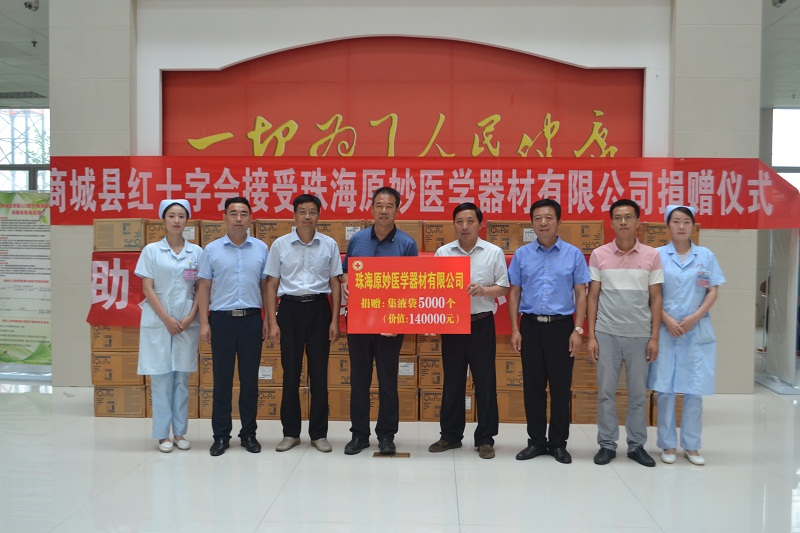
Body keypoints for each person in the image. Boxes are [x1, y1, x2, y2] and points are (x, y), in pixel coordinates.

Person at [508, 198, 590, 464]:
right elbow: (514, 293)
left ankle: (557, 443)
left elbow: (581, 294)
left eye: (548, 218)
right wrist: (515, 329)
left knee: (560, 388)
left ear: (558, 222)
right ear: (532, 223)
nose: (543, 223)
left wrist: (578, 329)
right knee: (532, 387)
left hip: (561, 328)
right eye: (538, 218)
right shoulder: (522, 255)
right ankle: (535, 442)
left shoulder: (573, 254)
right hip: (530, 327)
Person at [427, 203, 509, 460]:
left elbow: (504, 287)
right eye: (459, 221)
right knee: (452, 381)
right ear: (454, 224)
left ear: (479, 224)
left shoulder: (493, 252)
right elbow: (434, 289)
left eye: (470, 221)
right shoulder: (443, 252)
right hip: (452, 325)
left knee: (485, 382)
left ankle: (485, 438)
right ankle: (450, 435)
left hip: (481, 323)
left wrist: (484, 290)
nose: (464, 226)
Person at [341, 186, 418, 456]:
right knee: (359, 380)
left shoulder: (407, 244)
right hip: (360, 321)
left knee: (387, 382)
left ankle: (386, 435)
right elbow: (346, 273)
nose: (384, 211)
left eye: (389, 206)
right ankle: (359, 434)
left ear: (397, 210)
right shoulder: (357, 240)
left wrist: (400, 322)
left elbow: (411, 286)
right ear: (372, 208)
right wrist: (346, 283)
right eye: (379, 205)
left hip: (390, 324)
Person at [587, 198, 663, 467]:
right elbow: (592, 297)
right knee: (606, 393)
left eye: (628, 217)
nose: (623, 222)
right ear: (611, 223)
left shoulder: (652, 255)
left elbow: (656, 298)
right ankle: (607, 444)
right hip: (606, 333)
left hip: (639, 334)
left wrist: (654, 337)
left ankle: (636, 445)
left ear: (638, 222)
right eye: (618, 217)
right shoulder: (599, 255)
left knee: (638, 395)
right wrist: (591, 336)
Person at [647, 205, 725, 466]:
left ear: (693, 226)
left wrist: (695, 317)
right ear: (668, 225)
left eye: (686, 222)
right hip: (665, 329)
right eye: (676, 221)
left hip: (696, 329)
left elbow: (713, 290)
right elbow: (651, 293)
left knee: (694, 390)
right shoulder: (657, 255)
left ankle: (692, 446)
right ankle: (668, 444)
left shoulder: (705, 256)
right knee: (665, 389)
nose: (681, 226)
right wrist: (666, 319)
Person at [264, 194, 342, 453]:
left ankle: (319, 434)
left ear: (319, 215)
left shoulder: (329, 244)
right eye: (302, 212)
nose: (307, 216)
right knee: (291, 373)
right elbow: (272, 284)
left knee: (319, 375)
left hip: (320, 309)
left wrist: (334, 320)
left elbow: (335, 283)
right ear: (294, 215)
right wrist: (272, 322)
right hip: (290, 310)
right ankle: (290, 433)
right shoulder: (280, 245)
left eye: (312, 212)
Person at [197, 197, 269, 456]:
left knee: (250, 383)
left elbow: (265, 286)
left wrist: (267, 320)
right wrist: (204, 322)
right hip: (222, 321)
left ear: (250, 218)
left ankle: (249, 434)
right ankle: (221, 436)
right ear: (224, 217)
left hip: (251, 320)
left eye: (243, 213)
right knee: (222, 382)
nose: (239, 218)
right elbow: (204, 286)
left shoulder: (261, 248)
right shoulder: (212, 250)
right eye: (233, 213)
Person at [135, 199, 203, 453]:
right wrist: (166, 318)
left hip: (186, 321)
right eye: (171, 216)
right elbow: (147, 287)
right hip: (158, 321)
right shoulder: (151, 251)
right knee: (161, 378)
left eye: (181, 216)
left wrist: (191, 316)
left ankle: (180, 432)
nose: (176, 220)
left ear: (187, 221)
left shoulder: (196, 252)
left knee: (182, 379)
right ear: (163, 220)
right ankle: (162, 434)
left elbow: (201, 288)